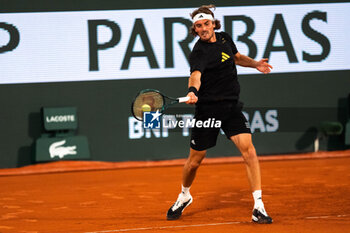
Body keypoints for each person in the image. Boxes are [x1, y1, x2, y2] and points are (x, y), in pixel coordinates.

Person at [166, 5, 273, 224]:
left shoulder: (225, 38)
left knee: (249, 151)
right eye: (198, 26)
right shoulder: (198, 52)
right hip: (208, 111)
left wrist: (255, 65)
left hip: (231, 107)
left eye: (206, 24)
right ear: (194, 30)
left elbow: (236, 57)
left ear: (214, 24)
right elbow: (195, 76)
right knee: (195, 161)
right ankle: (184, 194)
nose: (203, 28)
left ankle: (258, 206)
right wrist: (192, 91)